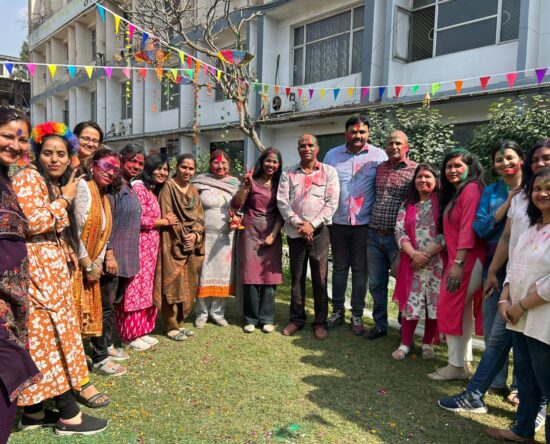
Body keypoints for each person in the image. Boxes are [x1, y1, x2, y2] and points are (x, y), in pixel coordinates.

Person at [438, 140, 550, 431]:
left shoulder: (536, 199)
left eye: (546, 159)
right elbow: (507, 240)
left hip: (539, 293)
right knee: (500, 340)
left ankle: (533, 409)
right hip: (509, 279)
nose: (540, 164)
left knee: (538, 358)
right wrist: (495, 275)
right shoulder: (522, 199)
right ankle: (485, 398)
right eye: (536, 160)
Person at [12, 121, 107, 435]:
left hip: (50, 273)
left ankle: (34, 413)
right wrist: (64, 201)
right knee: (49, 339)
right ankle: (69, 415)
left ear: (69, 157)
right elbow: (28, 223)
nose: (54, 159)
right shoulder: (29, 178)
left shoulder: (51, 181)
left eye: (61, 154)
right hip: (37, 272)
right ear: (37, 153)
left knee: (48, 338)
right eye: (48, 153)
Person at [485, 167, 550, 443]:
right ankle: (523, 430)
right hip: (518, 317)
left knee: (547, 383)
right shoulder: (533, 227)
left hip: (543, 321)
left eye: (548, 188)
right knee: (526, 377)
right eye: (537, 188)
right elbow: (515, 264)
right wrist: (504, 298)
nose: (542, 193)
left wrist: (521, 305)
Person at [323, 115, 387, 335]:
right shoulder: (332, 155)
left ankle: (357, 314)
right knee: (339, 268)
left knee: (360, 270)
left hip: (364, 224)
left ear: (368, 133)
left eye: (362, 132)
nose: (358, 135)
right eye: (353, 131)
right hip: (338, 222)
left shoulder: (379, 156)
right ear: (346, 133)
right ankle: (337, 311)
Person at [0, 108, 42, 443]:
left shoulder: (7, 181)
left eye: (22, 139)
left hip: (13, 303)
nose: (15, 145)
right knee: (11, 369)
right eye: (7, 135)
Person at [427, 149, 485, 381]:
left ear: (470, 167)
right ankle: (465, 361)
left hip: (467, 260)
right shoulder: (458, 193)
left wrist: (458, 263)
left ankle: (455, 366)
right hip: (461, 259)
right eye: (448, 166)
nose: (452, 170)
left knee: (448, 307)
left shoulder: (471, 189)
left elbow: (468, 228)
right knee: (462, 312)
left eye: (458, 166)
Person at [277, 134, 339, 340]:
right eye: (302, 145)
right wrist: (299, 224)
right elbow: (282, 202)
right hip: (295, 232)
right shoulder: (288, 173)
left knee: (320, 278)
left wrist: (312, 224)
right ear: (298, 150)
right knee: (297, 277)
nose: (306, 148)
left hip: (320, 232)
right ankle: (296, 319)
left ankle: (320, 322)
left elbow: (332, 202)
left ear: (317, 149)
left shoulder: (329, 172)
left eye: (310, 145)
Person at [472, 141, 523, 392]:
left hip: (526, 270)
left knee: (522, 329)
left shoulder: (536, 189)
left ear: (521, 159)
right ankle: (496, 381)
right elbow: (480, 228)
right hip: (494, 268)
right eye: (499, 159)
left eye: (510, 157)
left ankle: (519, 386)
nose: (505, 163)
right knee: (493, 326)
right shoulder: (492, 192)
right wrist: (507, 203)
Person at [91, 143, 144, 376]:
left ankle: (108, 344)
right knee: (105, 306)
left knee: (113, 305)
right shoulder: (114, 186)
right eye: (132, 161)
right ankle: (99, 355)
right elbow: (107, 221)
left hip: (125, 258)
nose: (136, 166)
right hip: (112, 258)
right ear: (122, 159)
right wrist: (110, 253)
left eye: (140, 163)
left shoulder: (128, 186)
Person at [116, 154, 178, 349]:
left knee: (146, 290)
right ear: (149, 168)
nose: (162, 172)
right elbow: (136, 218)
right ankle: (129, 335)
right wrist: (164, 221)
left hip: (151, 250)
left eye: (165, 169)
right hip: (137, 247)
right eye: (158, 168)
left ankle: (141, 330)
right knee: (133, 291)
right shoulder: (138, 187)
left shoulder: (153, 190)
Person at [365, 130, 417, 340]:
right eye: (390, 143)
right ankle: (380, 324)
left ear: (407, 147)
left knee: (404, 284)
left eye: (398, 143)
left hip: (399, 239)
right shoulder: (380, 169)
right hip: (374, 234)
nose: (393, 146)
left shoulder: (415, 171)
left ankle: (405, 329)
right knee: (376, 283)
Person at [391, 164, 446, 360]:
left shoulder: (443, 203)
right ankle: (405, 343)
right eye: (419, 177)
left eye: (427, 177)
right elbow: (399, 230)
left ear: (436, 180)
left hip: (437, 263)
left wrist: (425, 255)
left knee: (433, 304)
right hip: (412, 263)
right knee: (410, 303)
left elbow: (446, 232)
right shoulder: (407, 204)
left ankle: (427, 344)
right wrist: (414, 254)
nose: (423, 180)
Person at [232, 148, 284, 334]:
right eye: (268, 160)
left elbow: (281, 214)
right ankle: (250, 318)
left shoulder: (280, 185)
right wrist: (245, 186)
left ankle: (267, 318)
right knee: (251, 275)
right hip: (250, 233)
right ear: (262, 162)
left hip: (272, 233)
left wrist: (273, 235)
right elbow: (236, 204)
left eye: (275, 161)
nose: (271, 164)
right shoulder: (251, 182)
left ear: (279, 165)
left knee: (270, 277)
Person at [154, 154, 205, 340]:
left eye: (191, 168)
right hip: (172, 242)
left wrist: (195, 235)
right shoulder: (168, 187)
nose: (187, 171)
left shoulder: (193, 190)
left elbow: (199, 217)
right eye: (184, 167)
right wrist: (184, 237)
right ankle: (170, 326)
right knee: (172, 283)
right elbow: (168, 216)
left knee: (188, 283)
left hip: (191, 245)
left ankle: (181, 322)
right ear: (177, 167)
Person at [193, 150, 240, 328]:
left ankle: (218, 312)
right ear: (210, 164)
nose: (220, 166)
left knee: (224, 273)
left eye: (224, 163)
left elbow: (242, 206)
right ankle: (202, 313)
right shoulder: (200, 182)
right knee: (203, 273)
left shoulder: (235, 184)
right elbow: (190, 205)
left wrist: (238, 217)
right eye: (216, 162)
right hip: (204, 236)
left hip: (226, 236)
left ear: (229, 164)